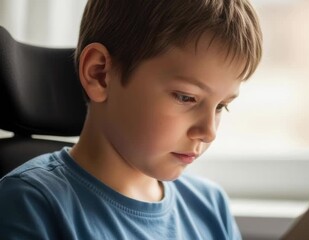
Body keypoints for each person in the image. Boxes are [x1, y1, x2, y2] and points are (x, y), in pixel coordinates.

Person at [0, 0, 262, 239]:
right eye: (185, 97)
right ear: (100, 74)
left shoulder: (211, 206)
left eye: (221, 106)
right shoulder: (30, 205)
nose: (208, 132)